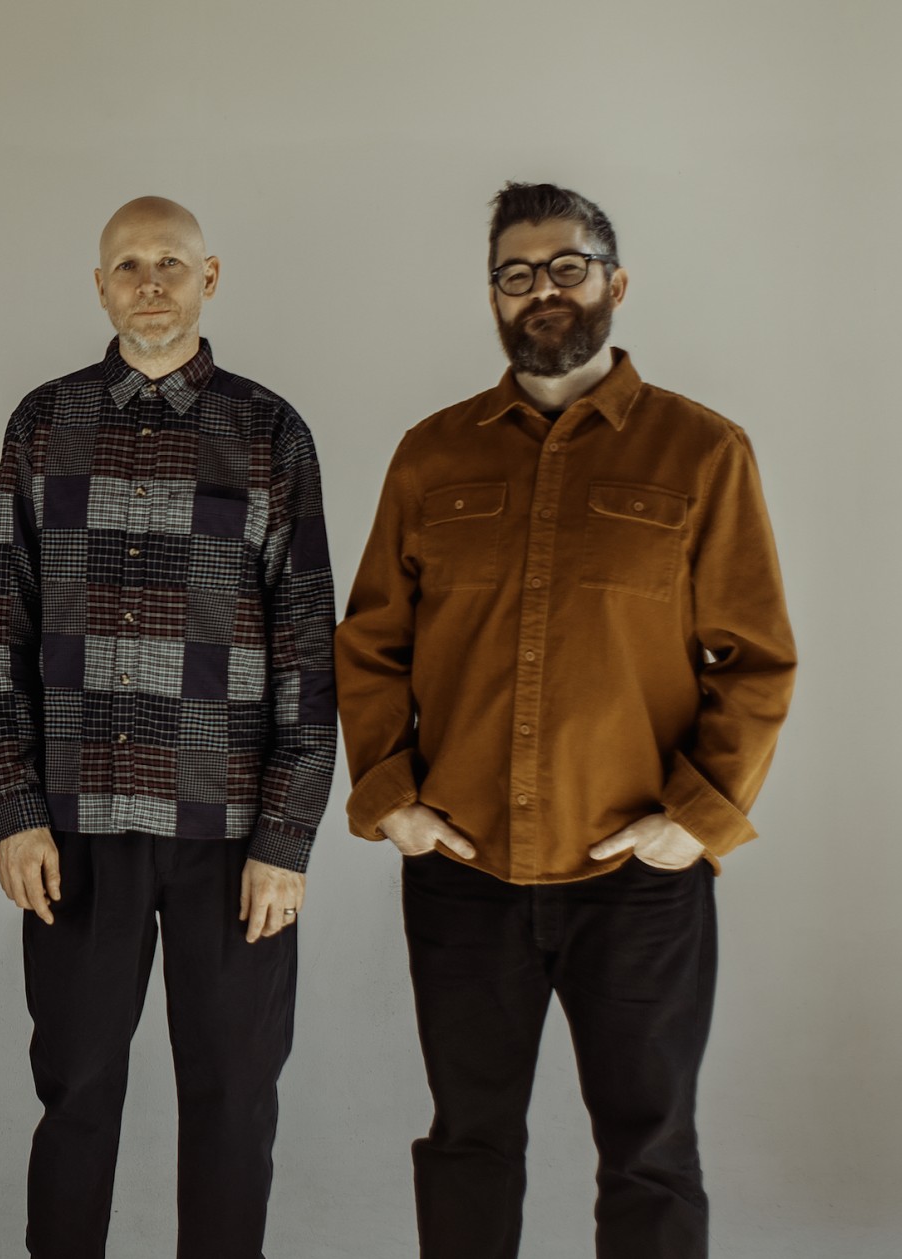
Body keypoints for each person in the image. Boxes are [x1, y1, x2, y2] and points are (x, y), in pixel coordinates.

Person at [333, 181, 796, 1258]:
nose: (543, 289)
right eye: (516, 273)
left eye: (566, 266)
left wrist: (699, 814)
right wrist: (391, 799)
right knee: (468, 1140)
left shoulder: (701, 451)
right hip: (462, 869)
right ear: (492, 298)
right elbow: (367, 644)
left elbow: (756, 656)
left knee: (650, 1150)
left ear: (613, 283)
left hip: (637, 878)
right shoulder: (431, 455)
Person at [0, 196, 337, 1259]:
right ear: (98, 285)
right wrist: (13, 808)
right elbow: (3, 624)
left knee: (231, 1098)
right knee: (76, 1089)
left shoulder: (270, 432)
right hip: (75, 829)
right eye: (126, 264)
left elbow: (311, 646)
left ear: (209, 277)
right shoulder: (42, 423)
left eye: (170, 262)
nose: (149, 282)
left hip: (230, 837)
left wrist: (286, 836)